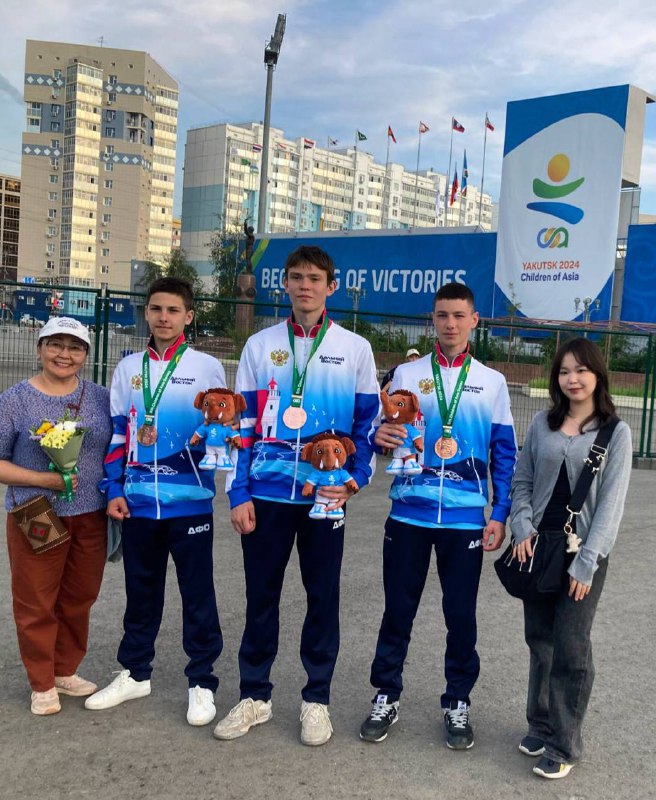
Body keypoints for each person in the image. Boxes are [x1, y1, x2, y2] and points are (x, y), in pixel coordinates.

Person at [214, 245, 379, 746]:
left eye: (314, 278)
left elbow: (368, 427)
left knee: (321, 597)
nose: (305, 285)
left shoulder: (355, 348)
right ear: (284, 285)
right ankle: (255, 696)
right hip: (265, 495)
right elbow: (238, 426)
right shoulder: (260, 347)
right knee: (260, 596)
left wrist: (354, 481)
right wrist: (236, 491)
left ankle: (316, 701)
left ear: (331, 286)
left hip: (325, 495)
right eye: (296, 277)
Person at [359, 282, 517, 749]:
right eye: (442, 315)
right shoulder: (406, 375)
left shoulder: (492, 382)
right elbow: (376, 432)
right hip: (409, 514)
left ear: (474, 321)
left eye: (458, 316)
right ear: (433, 319)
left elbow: (504, 452)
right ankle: (386, 694)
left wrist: (500, 512)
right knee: (398, 611)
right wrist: (378, 436)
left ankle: (458, 701)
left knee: (460, 616)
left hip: (466, 519)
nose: (449, 324)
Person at [85, 278, 226, 727]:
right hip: (140, 502)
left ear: (189, 316)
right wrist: (115, 488)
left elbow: (221, 428)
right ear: (146, 314)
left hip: (190, 503)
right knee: (140, 593)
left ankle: (202, 681)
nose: (163, 317)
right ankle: (135, 672)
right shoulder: (128, 368)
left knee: (197, 595)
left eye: (173, 310)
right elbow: (118, 433)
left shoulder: (207, 367)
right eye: (155, 309)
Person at [509, 337, 632, 780]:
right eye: (564, 371)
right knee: (539, 638)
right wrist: (521, 526)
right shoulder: (542, 423)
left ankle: (564, 741)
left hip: (583, 555)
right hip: (539, 549)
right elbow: (521, 481)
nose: (572, 379)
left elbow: (611, 505)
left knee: (572, 647)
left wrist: (588, 562)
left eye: (581, 370)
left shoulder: (615, 431)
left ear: (597, 375)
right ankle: (540, 724)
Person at [0, 317, 111, 715]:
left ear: (85, 354)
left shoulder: (99, 397)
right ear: (40, 348)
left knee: (80, 595)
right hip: (37, 512)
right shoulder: (15, 399)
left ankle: (65, 668)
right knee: (36, 598)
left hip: (91, 512)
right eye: (55, 344)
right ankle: (42, 681)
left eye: (74, 347)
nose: (64, 354)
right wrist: (44, 479)